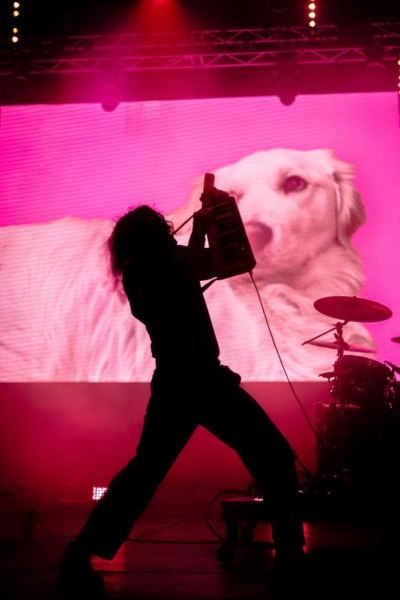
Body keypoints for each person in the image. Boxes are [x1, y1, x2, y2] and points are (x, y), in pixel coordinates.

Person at [59, 192, 307, 598]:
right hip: (191, 379)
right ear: (147, 239)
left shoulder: (167, 261)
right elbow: (187, 274)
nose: (167, 230)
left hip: (191, 380)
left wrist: (224, 215)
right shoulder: (144, 272)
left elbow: (235, 261)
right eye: (159, 228)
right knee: (270, 454)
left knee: (146, 472)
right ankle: (291, 560)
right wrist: (202, 229)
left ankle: (78, 554)